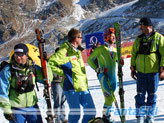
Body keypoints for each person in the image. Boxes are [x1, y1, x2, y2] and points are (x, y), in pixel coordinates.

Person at [49, 28, 96, 123]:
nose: (81, 39)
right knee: (75, 114)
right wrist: (62, 73)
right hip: (71, 87)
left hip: (83, 86)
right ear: (75, 38)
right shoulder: (65, 51)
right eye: (80, 37)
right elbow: (51, 62)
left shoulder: (77, 50)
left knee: (91, 110)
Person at [0, 43, 53, 123]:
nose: (18, 57)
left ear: (26, 55)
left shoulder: (33, 68)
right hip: (16, 108)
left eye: (21, 54)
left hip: (33, 107)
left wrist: (46, 63)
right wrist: (6, 110)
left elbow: (47, 79)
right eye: (16, 54)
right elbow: (2, 91)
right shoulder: (8, 71)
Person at [130, 17, 164, 123]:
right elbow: (134, 54)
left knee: (152, 96)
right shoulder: (139, 39)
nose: (140, 28)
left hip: (153, 73)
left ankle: (150, 117)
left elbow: (163, 54)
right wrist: (132, 67)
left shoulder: (159, 38)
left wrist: (163, 69)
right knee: (140, 95)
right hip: (141, 73)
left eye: (142, 26)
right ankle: (140, 116)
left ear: (148, 26)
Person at [87, 28, 118, 122]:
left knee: (112, 98)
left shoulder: (115, 49)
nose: (113, 38)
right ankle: (106, 116)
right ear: (106, 37)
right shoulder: (100, 49)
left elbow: (116, 61)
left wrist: (120, 61)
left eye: (114, 36)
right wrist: (98, 69)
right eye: (111, 36)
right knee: (108, 98)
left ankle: (108, 116)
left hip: (113, 77)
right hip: (104, 77)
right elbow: (89, 60)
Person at [51, 47, 67, 123]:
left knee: (63, 101)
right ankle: (57, 119)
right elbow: (52, 72)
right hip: (56, 82)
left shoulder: (64, 60)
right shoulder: (53, 61)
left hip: (64, 82)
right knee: (57, 101)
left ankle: (63, 117)